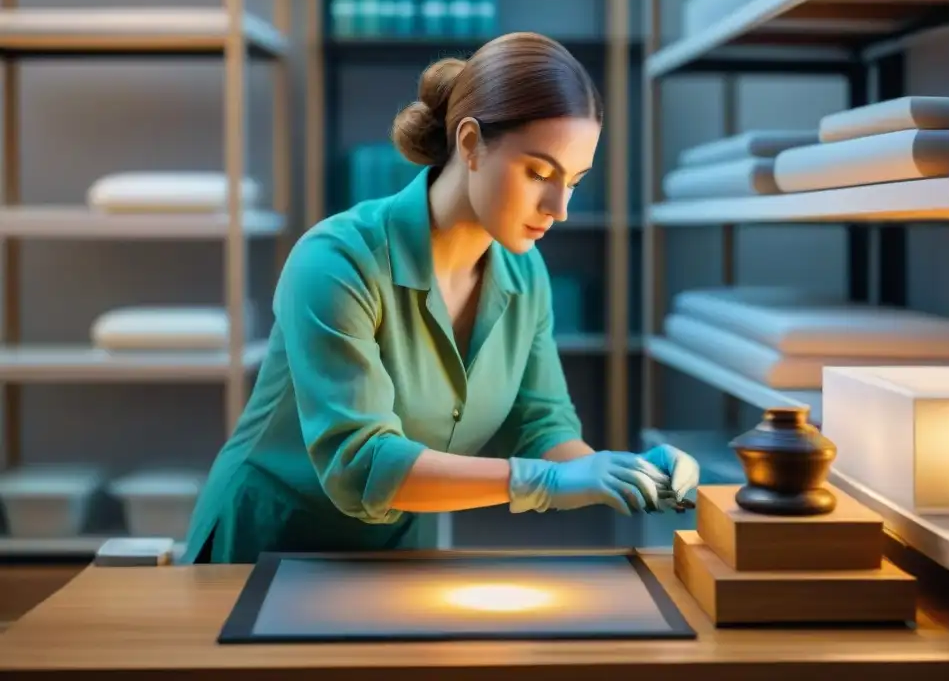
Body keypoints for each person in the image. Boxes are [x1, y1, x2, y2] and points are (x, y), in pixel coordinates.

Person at [181, 31, 699, 564]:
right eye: (540, 173)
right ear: (470, 143)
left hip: (400, 552)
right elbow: (362, 463)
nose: (558, 207)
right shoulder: (337, 261)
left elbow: (540, 424)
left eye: (574, 181)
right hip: (265, 547)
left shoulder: (524, 273)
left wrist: (621, 473)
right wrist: (545, 481)